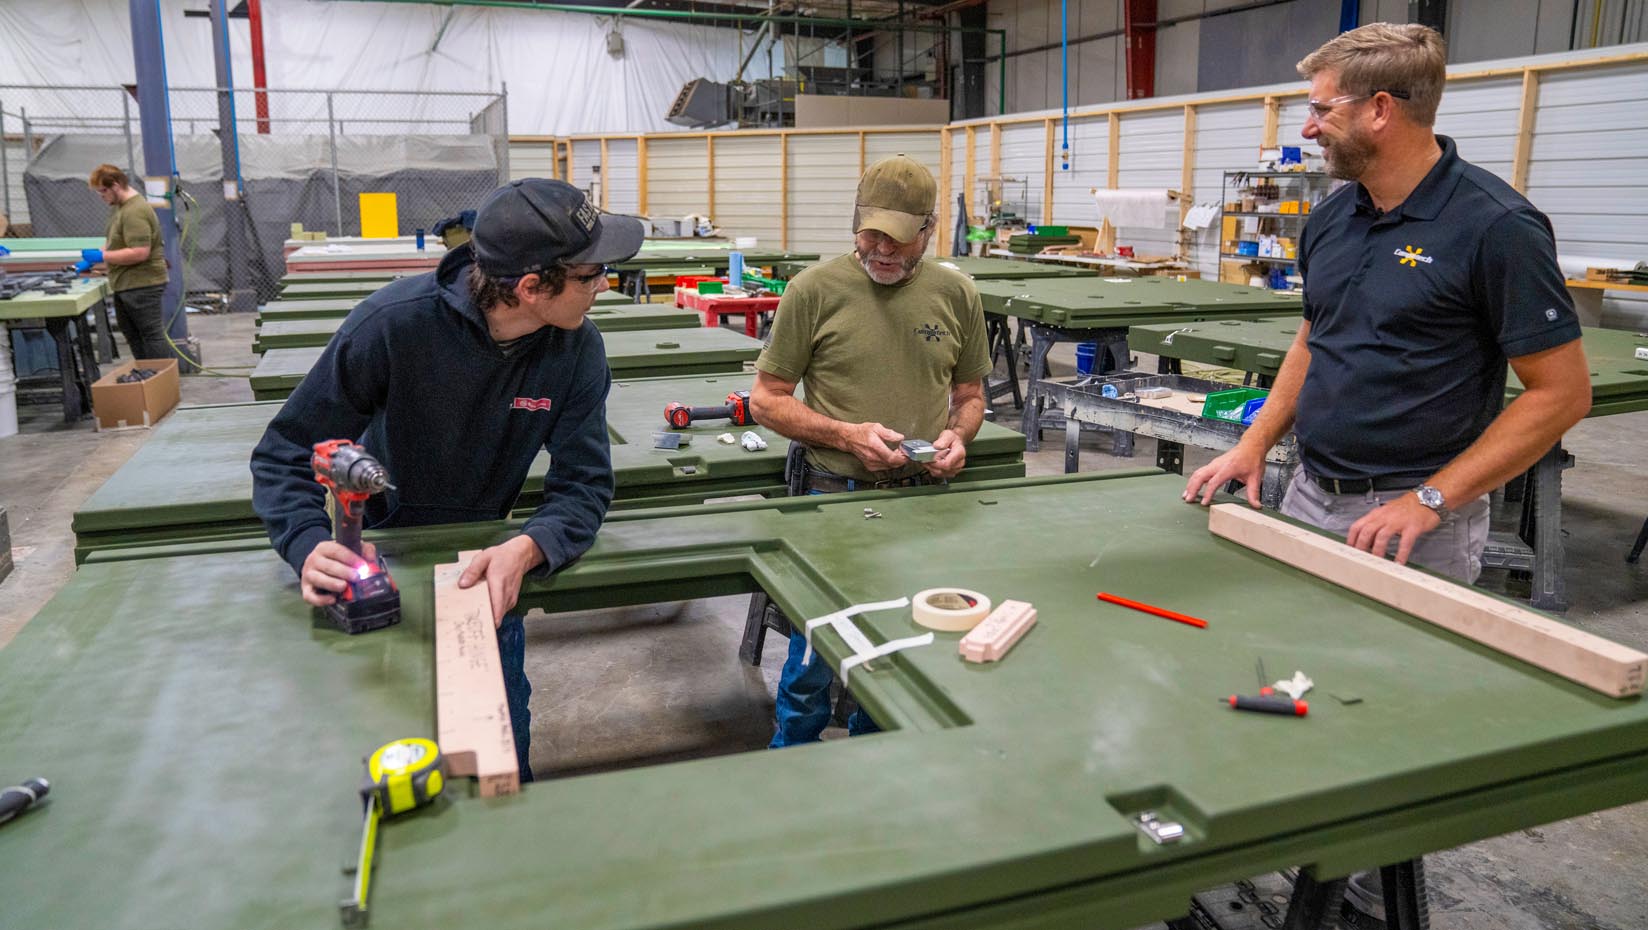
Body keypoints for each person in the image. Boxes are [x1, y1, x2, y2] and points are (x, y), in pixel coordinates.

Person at [251, 178, 643, 782]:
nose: (605, 286)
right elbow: (284, 454)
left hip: (483, 567)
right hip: (379, 562)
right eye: (593, 275)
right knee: (375, 759)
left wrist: (529, 545)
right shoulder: (392, 326)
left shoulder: (577, 351)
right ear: (533, 288)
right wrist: (307, 545)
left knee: (499, 757)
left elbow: (584, 485)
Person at [1184, 22, 1590, 583]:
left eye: (1322, 110)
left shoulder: (1497, 227)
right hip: (1306, 491)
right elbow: (1314, 338)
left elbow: (1562, 394)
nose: (1308, 128)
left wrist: (1430, 500)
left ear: (1380, 109)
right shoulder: (1331, 218)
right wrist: (1255, 442)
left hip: (1414, 521)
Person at [749, 154, 992, 747]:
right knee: (814, 652)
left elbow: (971, 395)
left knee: (898, 648)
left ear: (928, 232)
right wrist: (846, 434)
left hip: (922, 501)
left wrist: (958, 438)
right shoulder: (813, 290)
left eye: (899, 238)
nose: (882, 249)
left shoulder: (956, 293)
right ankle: (794, 763)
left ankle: (876, 763)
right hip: (833, 495)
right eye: (870, 233)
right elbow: (766, 401)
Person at [87, 164, 172, 360]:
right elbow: (113, 242)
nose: (101, 197)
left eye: (103, 191)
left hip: (142, 284)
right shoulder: (120, 208)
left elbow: (140, 252)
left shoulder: (135, 211)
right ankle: (145, 378)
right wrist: (92, 259)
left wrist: (103, 257)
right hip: (127, 284)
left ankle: (159, 381)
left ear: (115, 185)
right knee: (133, 335)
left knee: (151, 335)